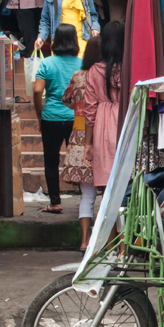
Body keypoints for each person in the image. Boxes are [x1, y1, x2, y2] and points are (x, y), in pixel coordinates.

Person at [33, 24, 83, 214]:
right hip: (75, 118)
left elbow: (38, 90)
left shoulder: (47, 63)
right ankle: (85, 201)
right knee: (79, 160)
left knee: (51, 161)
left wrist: (40, 114)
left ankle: (55, 202)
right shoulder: (82, 63)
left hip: (51, 117)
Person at [61, 36, 101, 251]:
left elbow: (65, 98)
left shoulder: (77, 76)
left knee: (87, 195)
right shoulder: (106, 76)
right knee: (108, 195)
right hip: (102, 138)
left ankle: (84, 241)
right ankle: (106, 241)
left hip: (78, 137)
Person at [83, 21, 125, 198]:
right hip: (126, 120)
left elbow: (89, 111)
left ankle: (112, 226)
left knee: (108, 189)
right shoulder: (131, 69)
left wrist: (88, 143)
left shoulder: (94, 71)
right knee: (127, 181)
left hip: (103, 125)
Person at [36, 0, 100, 57]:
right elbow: (45, 20)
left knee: (80, 69)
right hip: (59, 41)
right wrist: (41, 37)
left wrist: (95, 28)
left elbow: (93, 15)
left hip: (81, 39)